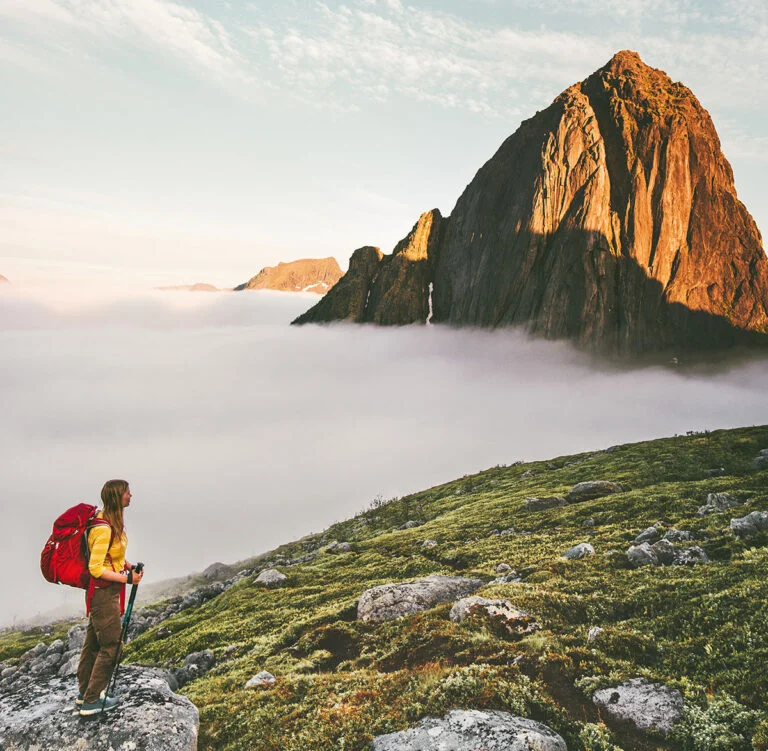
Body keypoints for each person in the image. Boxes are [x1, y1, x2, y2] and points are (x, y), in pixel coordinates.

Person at [76, 479, 144, 716]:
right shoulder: (104, 528)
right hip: (103, 593)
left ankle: (84, 692)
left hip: (104, 593)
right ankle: (92, 700)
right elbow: (95, 568)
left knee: (93, 643)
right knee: (112, 645)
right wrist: (127, 579)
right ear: (117, 497)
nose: (130, 496)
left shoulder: (111, 522)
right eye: (127, 493)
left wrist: (127, 566)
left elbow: (109, 557)